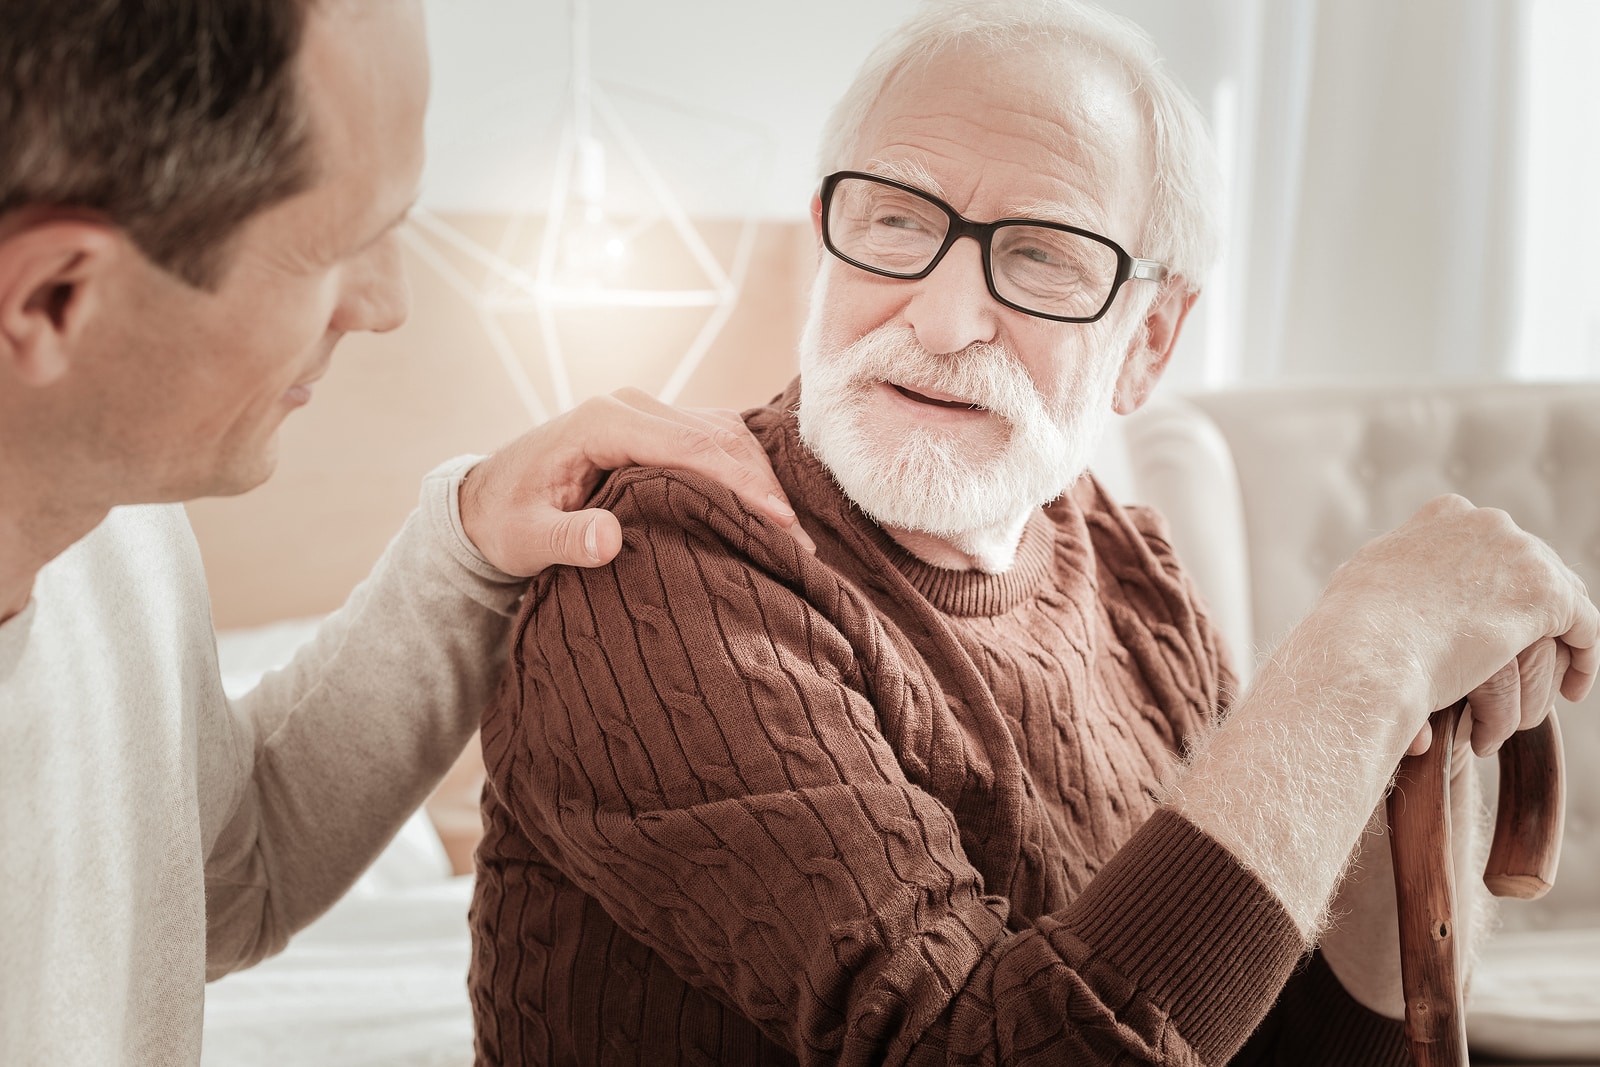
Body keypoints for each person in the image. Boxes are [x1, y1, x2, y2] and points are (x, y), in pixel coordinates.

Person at [467, 0, 1598, 1063]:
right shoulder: (660, 570)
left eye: (1044, 253)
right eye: (897, 220)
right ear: (825, 241)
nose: (945, 316)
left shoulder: (1124, 563)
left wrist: (1416, 721)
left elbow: (1261, 1036)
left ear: (1149, 341)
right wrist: (1361, 654)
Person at [0, 0, 817, 1062]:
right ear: (56, 296)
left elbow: (208, 881)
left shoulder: (121, 531)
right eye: (343, 244)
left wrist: (466, 549)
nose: (385, 305)